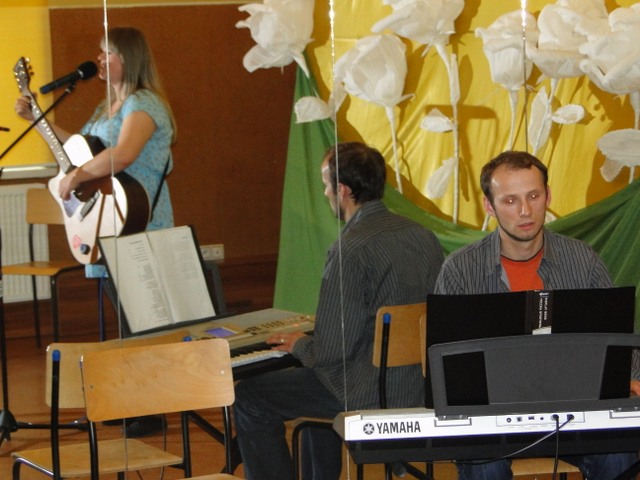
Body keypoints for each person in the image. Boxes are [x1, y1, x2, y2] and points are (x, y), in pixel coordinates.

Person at [233, 141, 445, 480]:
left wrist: (300, 344)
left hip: (369, 391)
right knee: (315, 382)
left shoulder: (349, 248)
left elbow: (332, 351)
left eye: (326, 184)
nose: (325, 192)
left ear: (342, 190)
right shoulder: (424, 236)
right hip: (420, 386)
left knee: (249, 396)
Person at [434, 150, 638, 480]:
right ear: (489, 206)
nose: (525, 211)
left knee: (619, 453)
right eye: (510, 200)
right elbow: (445, 366)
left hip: (575, 418)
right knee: (485, 465)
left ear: (548, 196)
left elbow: (620, 339)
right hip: (492, 425)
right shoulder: (460, 270)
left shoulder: (583, 261)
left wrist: (634, 376)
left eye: (533, 196)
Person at [15, 26, 176, 437]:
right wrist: (38, 120)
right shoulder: (107, 106)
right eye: (100, 52)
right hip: (106, 219)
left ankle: (152, 406)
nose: (100, 59)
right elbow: (79, 147)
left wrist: (77, 176)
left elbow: (122, 155)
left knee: (141, 319)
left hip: (137, 219)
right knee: (124, 318)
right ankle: (132, 400)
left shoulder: (144, 103)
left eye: (110, 53)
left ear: (130, 58)